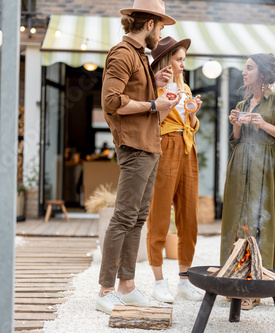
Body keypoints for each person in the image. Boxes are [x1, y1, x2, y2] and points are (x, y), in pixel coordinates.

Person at [96, 0, 180, 315]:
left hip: (148, 145)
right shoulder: (122, 54)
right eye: (160, 26)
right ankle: (105, 290)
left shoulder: (138, 56)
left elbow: (132, 95)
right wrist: (154, 105)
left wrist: (153, 88)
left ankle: (127, 286)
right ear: (148, 24)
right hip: (134, 146)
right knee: (122, 217)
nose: (161, 32)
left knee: (137, 218)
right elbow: (112, 101)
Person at [221, 53, 275, 310]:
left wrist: (264, 124)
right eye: (244, 68)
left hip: (263, 165)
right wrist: (236, 125)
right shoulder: (243, 103)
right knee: (237, 221)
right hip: (240, 162)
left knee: (258, 224)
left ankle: (255, 287)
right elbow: (236, 141)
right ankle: (232, 280)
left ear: (263, 74)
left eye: (249, 68)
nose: (244, 72)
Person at [147, 36, 204, 303]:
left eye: (184, 59)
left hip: (188, 149)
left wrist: (193, 113)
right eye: (179, 59)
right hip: (165, 147)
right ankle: (159, 281)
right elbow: (151, 124)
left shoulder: (186, 87)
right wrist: (166, 104)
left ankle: (184, 279)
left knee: (189, 217)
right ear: (166, 61)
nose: (183, 64)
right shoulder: (153, 87)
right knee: (159, 215)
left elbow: (191, 124)